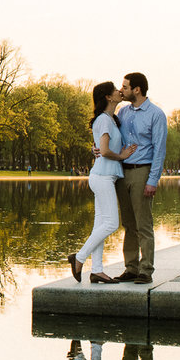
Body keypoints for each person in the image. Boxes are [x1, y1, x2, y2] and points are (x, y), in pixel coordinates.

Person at [68, 82, 136, 285]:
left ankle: (97, 270)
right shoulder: (104, 121)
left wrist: (96, 148)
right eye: (116, 90)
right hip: (103, 177)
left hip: (105, 176)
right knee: (111, 224)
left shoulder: (109, 120)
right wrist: (122, 155)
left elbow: (100, 147)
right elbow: (105, 151)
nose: (119, 92)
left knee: (100, 225)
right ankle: (79, 257)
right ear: (108, 97)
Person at [113, 72, 168, 284]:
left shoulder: (156, 114)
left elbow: (159, 150)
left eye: (125, 87)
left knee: (143, 223)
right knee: (128, 223)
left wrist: (152, 180)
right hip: (122, 172)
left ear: (137, 89)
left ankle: (146, 270)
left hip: (142, 171)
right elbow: (113, 137)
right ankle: (131, 268)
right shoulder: (123, 111)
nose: (121, 90)